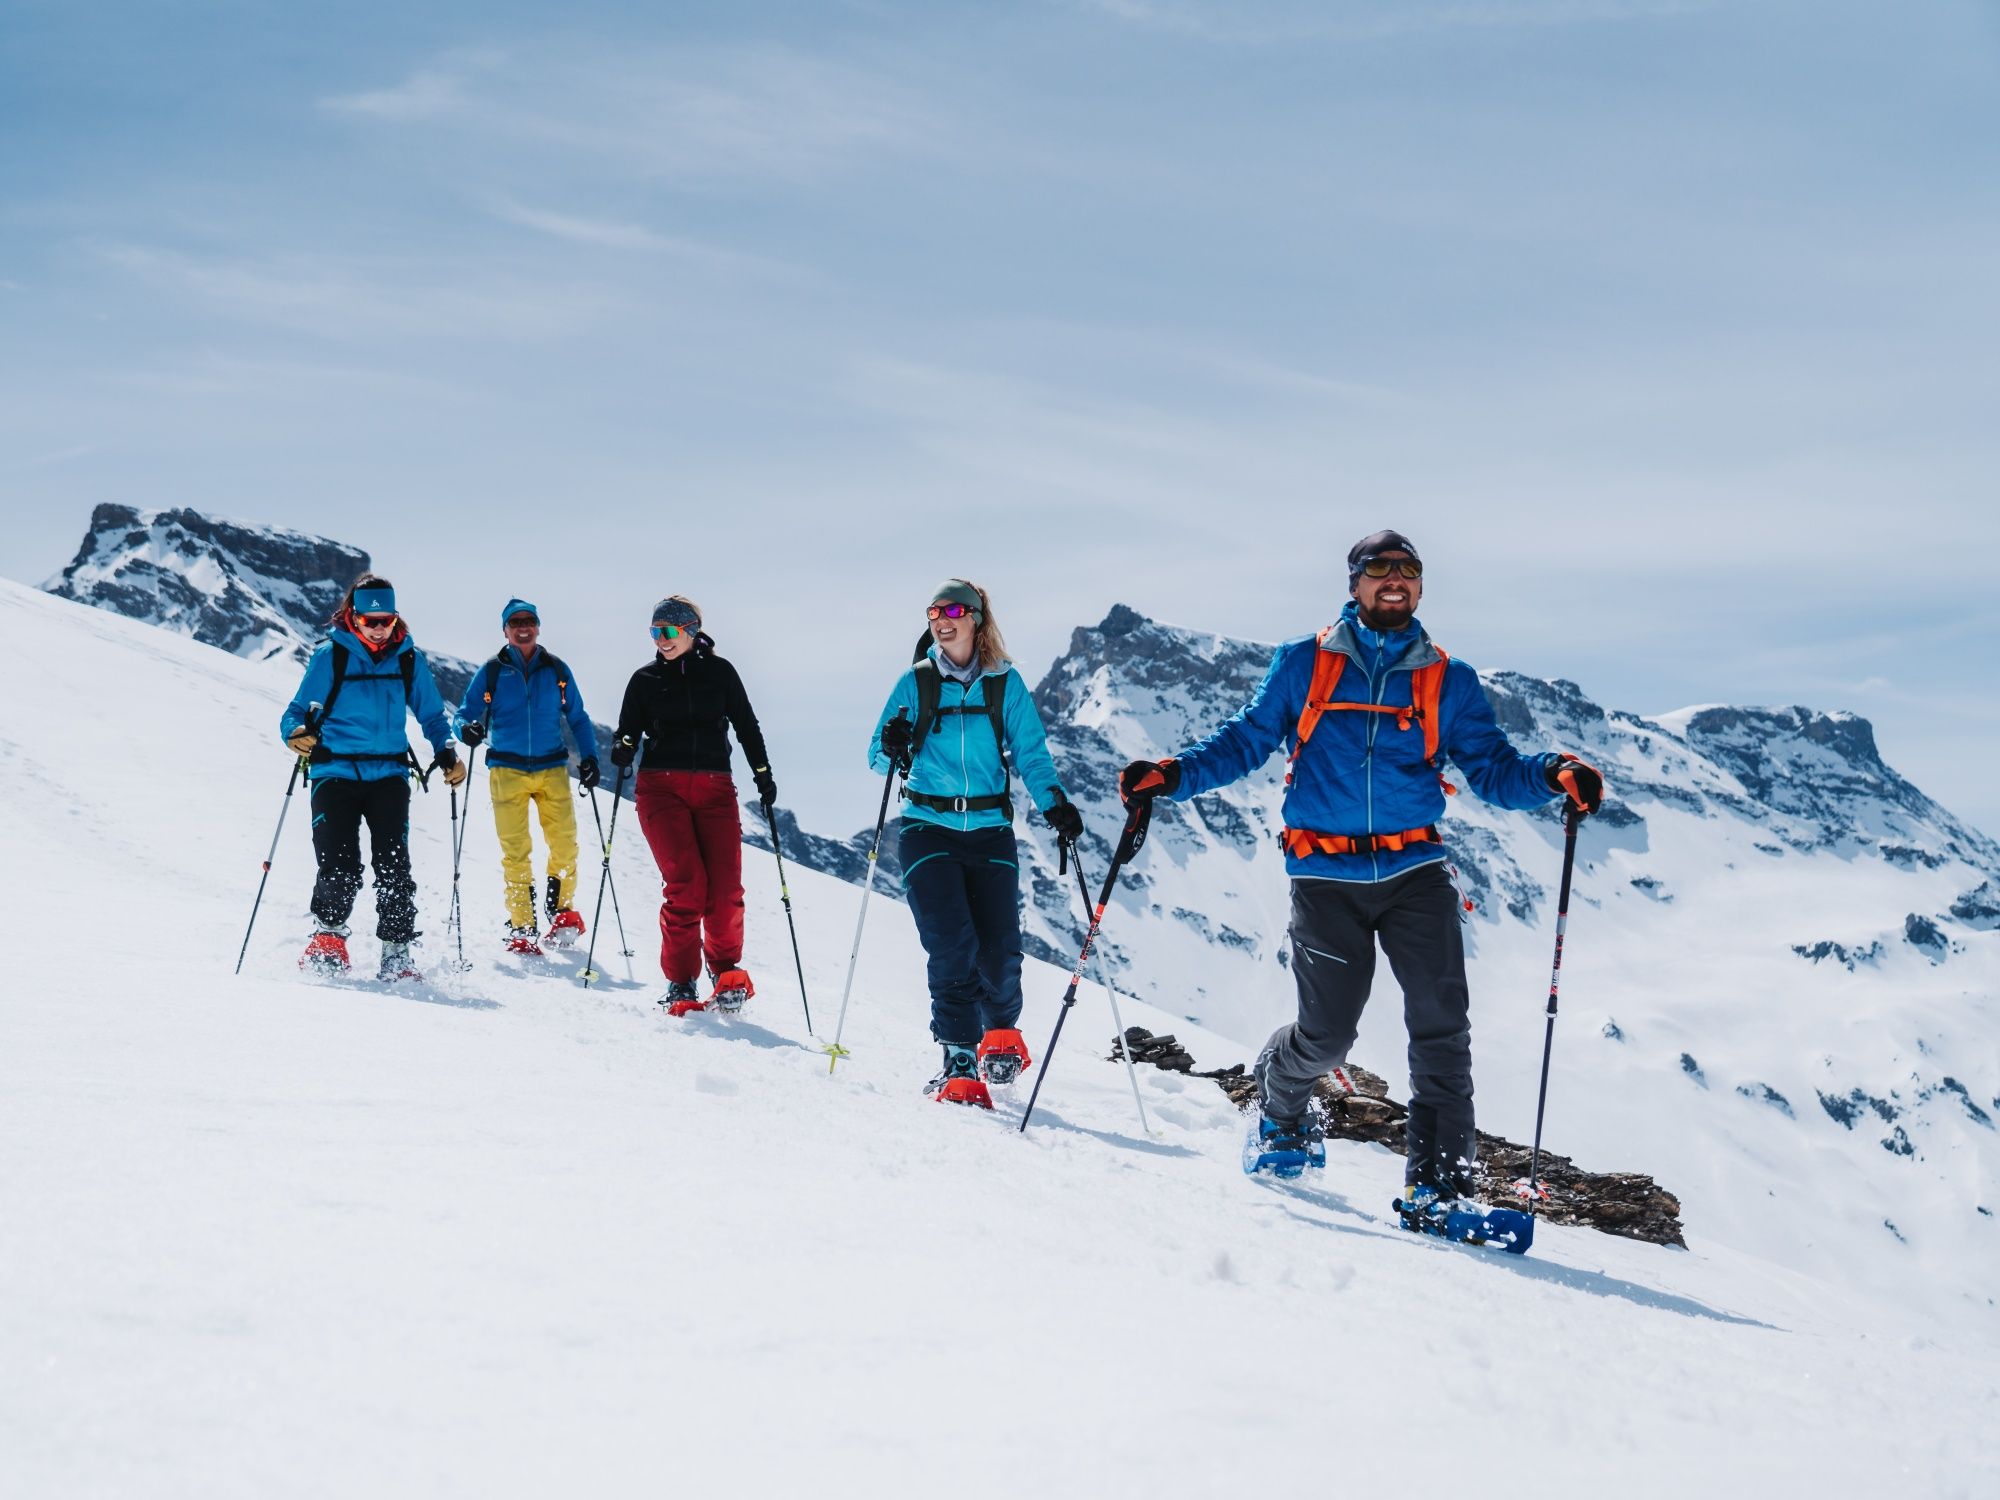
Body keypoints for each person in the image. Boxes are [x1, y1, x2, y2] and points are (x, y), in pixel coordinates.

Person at [1118, 530, 1603, 1224]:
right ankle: (1281, 1100)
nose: (1395, 579)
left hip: (1415, 872)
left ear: (1421, 585)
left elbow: (1494, 768)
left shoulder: (1447, 679)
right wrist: (1173, 775)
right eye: (1379, 569)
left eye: (1408, 569)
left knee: (1442, 1030)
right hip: (1323, 876)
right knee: (1328, 1034)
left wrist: (1554, 773)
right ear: (1354, 584)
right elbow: (1245, 740)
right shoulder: (1303, 663)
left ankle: (1441, 1185)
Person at [868, 579, 1085, 1108]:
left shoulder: (1004, 685)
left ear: (978, 619)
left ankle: (1000, 1032)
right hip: (926, 828)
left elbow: (1031, 754)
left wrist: (1055, 803)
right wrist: (894, 747)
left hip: (990, 830)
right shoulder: (915, 683)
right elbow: (877, 755)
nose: (943, 620)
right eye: (934, 612)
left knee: (1000, 951)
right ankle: (959, 1055)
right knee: (951, 943)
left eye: (954, 610)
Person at [279, 573, 463, 981]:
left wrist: (446, 752)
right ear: (353, 617)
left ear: (396, 619)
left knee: (394, 866)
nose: (379, 629)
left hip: (390, 775)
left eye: (386, 621)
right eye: (370, 621)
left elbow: (432, 714)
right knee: (339, 865)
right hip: (335, 772)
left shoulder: (409, 659)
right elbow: (295, 713)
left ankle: (397, 953)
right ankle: (328, 937)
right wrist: (294, 735)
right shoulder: (331, 656)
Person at [609, 596, 773, 1015]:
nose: (660, 640)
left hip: (716, 787)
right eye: (654, 632)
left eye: (667, 631)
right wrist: (623, 746)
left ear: (691, 631)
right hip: (660, 787)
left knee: (725, 890)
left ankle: (724, 971)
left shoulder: (720, 673)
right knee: (686, 886)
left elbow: (746, 723)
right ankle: (681, 981)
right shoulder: (644, 679)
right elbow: (627, 730)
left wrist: (762, 771)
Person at [453, 598, 602, 955]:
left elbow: (578, 718)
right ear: (505, 630)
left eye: (529, 621)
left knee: (565, 844)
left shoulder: (557, 669)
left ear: (538, 626)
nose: (523, 627)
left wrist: (591, 758)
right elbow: (463, 714)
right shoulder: (491, 671)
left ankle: (560, 911)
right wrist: (467, 731)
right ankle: (522, 924)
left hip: (552, 768)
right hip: (506, 769)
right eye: (515, 622)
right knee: (516, 850)